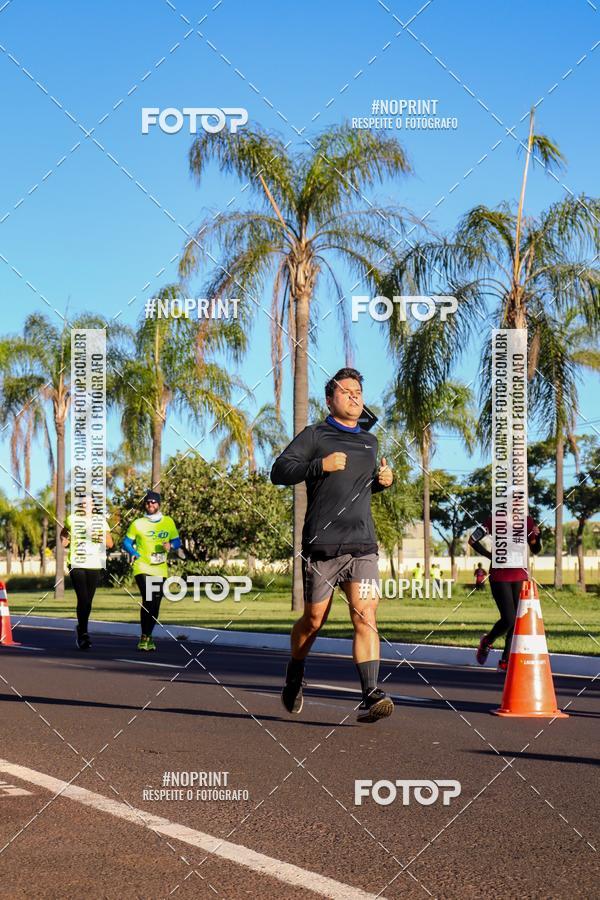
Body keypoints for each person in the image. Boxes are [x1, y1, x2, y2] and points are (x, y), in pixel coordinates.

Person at [270, 367, 394, 723]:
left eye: (358, 390)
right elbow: (279, 472)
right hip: (323, 546)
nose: (354, 396)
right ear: (329, 399)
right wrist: (318, 465)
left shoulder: (370, 442)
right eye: (346, 391)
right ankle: (295, 671)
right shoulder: (315, 435)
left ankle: (371, 694)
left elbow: (360, 486)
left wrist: (383, 481)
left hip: (363, 545)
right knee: (313, 621)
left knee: (365, 614)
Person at [469, 513, 542, 670]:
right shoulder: (494, 519)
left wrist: (537, 536)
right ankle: (487, 641)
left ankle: (505, 661)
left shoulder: (527, 520)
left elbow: (535, 548)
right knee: (509, 618)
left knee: (517, 620)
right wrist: (491, 556)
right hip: (499, 576)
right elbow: (472, 540)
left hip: (520, 576)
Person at [122, 491, 182, 651]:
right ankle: (144, 637)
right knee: (148, 599)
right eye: (148, 503)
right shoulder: (138, 523)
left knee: (155, 604)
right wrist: (134, 553)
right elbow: (126, 542)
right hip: (142, 566)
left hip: (160, 568)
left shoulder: (168, 522)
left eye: (154, 502)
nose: (151, 505)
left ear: (159, 504)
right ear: (145, 505)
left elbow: (177, 541)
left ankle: (148, 635)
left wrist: (171, 546)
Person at [61, 503, 114, 650]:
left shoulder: (101, 521)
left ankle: (80, 627)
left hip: (94, 564)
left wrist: (99, 537)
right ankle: (83, 634)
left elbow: (110, 543)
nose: (85, 506)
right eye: (83, 503)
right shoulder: (72, 519)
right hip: (76, 563)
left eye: (89, 503)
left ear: (93, 506)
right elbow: (64, 533)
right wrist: (65, 541)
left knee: (88, 601)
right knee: (83, 598)